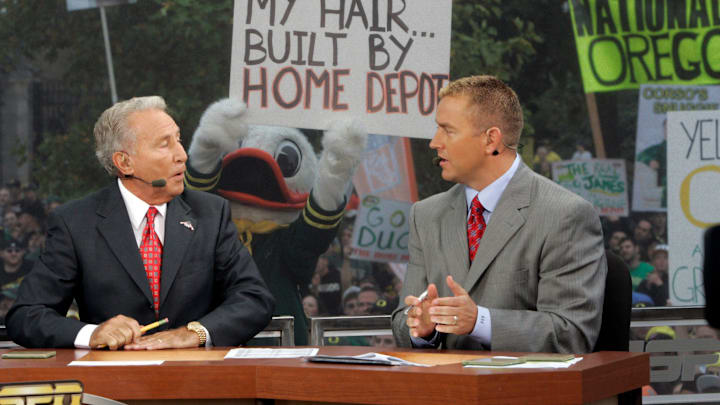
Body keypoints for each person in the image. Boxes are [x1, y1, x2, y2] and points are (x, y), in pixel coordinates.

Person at [6, 96, 274, 349]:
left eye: (179, 140)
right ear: (124, 162)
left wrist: (195, 333)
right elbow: (26, 315)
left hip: (197, 379)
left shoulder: (211, 214)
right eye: (164, 144)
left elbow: (254, 298)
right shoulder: (75, 223)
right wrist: (92, 334)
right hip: (112, 386)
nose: (182, 155)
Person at [391, 75, 607, 353]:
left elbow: (571, 334)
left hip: (522, 392)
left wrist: (479, 322)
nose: (434, 142)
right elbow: (402, 321)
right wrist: (421, 330)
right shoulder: (426, 215)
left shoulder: (565, 215)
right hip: (443, 391)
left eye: (448, 130)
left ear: (491, 139)